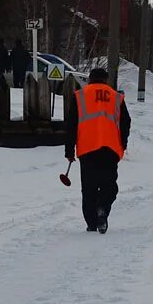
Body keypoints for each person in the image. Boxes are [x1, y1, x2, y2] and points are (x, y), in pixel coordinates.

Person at [65, 67, 131, 233]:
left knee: (89, 188)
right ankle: (102, 207)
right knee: (109, 186)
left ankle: (92, 223)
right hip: (110, 148)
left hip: (87, 148)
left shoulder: (80, 96)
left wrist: (69, 150)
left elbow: (71, 125)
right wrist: (123, 143)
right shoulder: (116, 97)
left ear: (90, 79)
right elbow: (126, 121)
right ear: (106, 80)